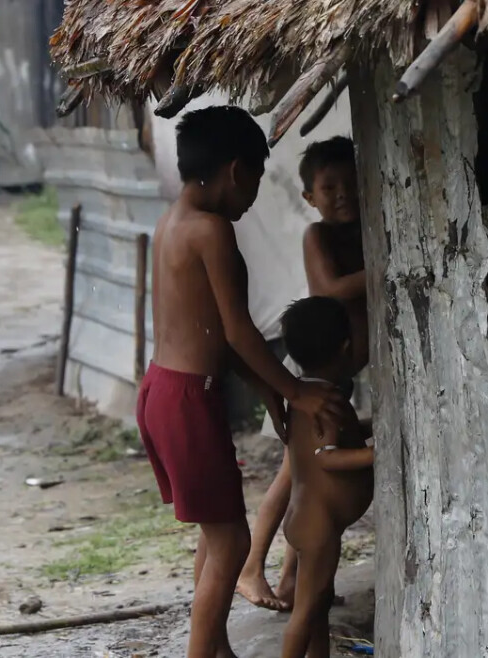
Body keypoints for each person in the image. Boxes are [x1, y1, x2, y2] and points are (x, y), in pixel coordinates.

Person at [135, 106, 346, 658]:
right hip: (187, 398)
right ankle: (204, 651)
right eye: (255, 179)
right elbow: (239, 331)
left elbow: (212, 334)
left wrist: (267, 392)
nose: (254, 194)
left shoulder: (171, 222)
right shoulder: (212, 231)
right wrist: (296, 390)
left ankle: (213, 644)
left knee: (218, 532)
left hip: (161, 390)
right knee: (232, 542)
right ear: (235, 171)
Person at [238, 136, 368, 611]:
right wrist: (388, 265)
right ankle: (252, 567)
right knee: (293, 478)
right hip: (311, 375)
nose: (343, 194)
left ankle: (295, 580)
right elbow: (331, 290)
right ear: (309, 198)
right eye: (329, 187)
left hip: (338, 376)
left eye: (351, 183)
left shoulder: (362, 231)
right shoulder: (318, 237)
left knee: (305, 484)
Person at [277, 296, 373, 658]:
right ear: (346, 347)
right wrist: (372, 455)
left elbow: (339, 435)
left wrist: (371, 426)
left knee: (318, 606)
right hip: (318, 527)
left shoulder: (306, 397)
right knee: (304, 613)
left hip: (305, 519)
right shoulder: (326, 400)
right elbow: (327, 457)